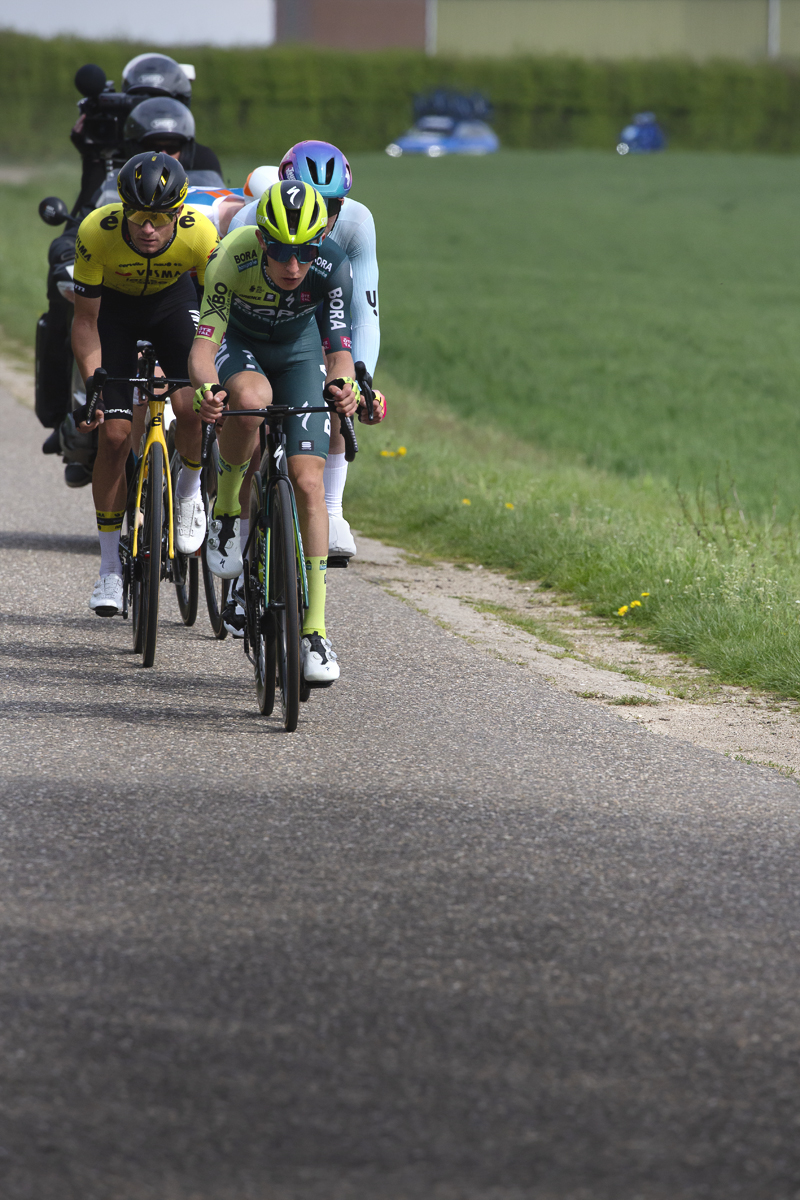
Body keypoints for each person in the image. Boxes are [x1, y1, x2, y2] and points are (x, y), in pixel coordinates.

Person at [188, 180, 362, 683]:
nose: (293, 266)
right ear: (263, 241)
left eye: (304, 252)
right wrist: (207, 389)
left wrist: (345, 386)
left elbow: (337, 350)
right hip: (240, 346)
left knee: (309, 481)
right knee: (250, 399)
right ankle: (224, 510)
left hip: (299, 352)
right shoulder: (231, 259)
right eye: (283, 252)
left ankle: (315, 631)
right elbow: (204, 348)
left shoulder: (330, 266)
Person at [71, 152, 219, 617]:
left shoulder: (201, 235)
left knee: (193, 406)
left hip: (174, 304)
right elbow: (85, 321)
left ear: (178, 212)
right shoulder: (97, 232)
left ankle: (190, 492)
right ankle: (110, 569)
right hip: (112, 312)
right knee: (113, 437)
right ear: (123, 210)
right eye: (137, 216)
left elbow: (215, 313)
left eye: (158, 218)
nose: (147, 228)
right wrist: (95, 385)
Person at [229, 141, 383, 561]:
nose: (326, 216)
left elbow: (364, 312)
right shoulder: (250, 219)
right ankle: (239, 535)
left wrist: (360, 374)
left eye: (334, 204)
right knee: (251, 422)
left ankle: (332, 510)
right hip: (260, 318)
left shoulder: (355, 223)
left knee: (337, 391)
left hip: (318, 311)